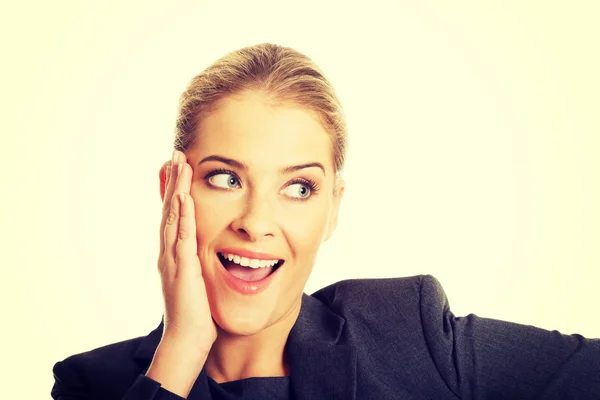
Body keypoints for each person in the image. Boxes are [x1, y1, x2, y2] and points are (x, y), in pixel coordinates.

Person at [51, 43, 600, 400]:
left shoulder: (409, 332)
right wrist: (182, 348)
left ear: (333, 207)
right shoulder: (92, 385)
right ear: (174, 189)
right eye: (226, 178)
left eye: (299, 187)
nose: (257, 222)